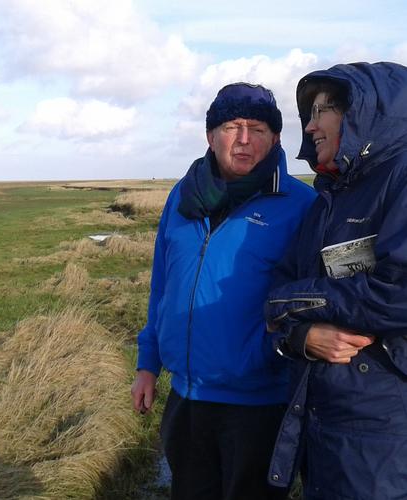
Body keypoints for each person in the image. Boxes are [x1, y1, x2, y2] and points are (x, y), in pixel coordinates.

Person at [131, 82, 316, 500]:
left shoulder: (302, 205)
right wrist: (148, 364)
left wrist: (266, 357)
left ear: (277, 139)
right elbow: (163, 285)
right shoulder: (182, 196)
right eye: (233, 126)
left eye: (258, 128)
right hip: (185, 397)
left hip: (258, 404)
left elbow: (312, 302)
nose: (245, 139)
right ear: (211, 135)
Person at [265, 61, 407, 500]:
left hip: (383, 436)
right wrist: (302, 335)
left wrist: (295, 302)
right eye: (308, 114)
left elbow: (398, 292)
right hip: (323, 424)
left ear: (363, 113)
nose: (309, 127)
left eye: (321, 111)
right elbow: (282, 284)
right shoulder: (328, 198)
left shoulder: (400, 179)